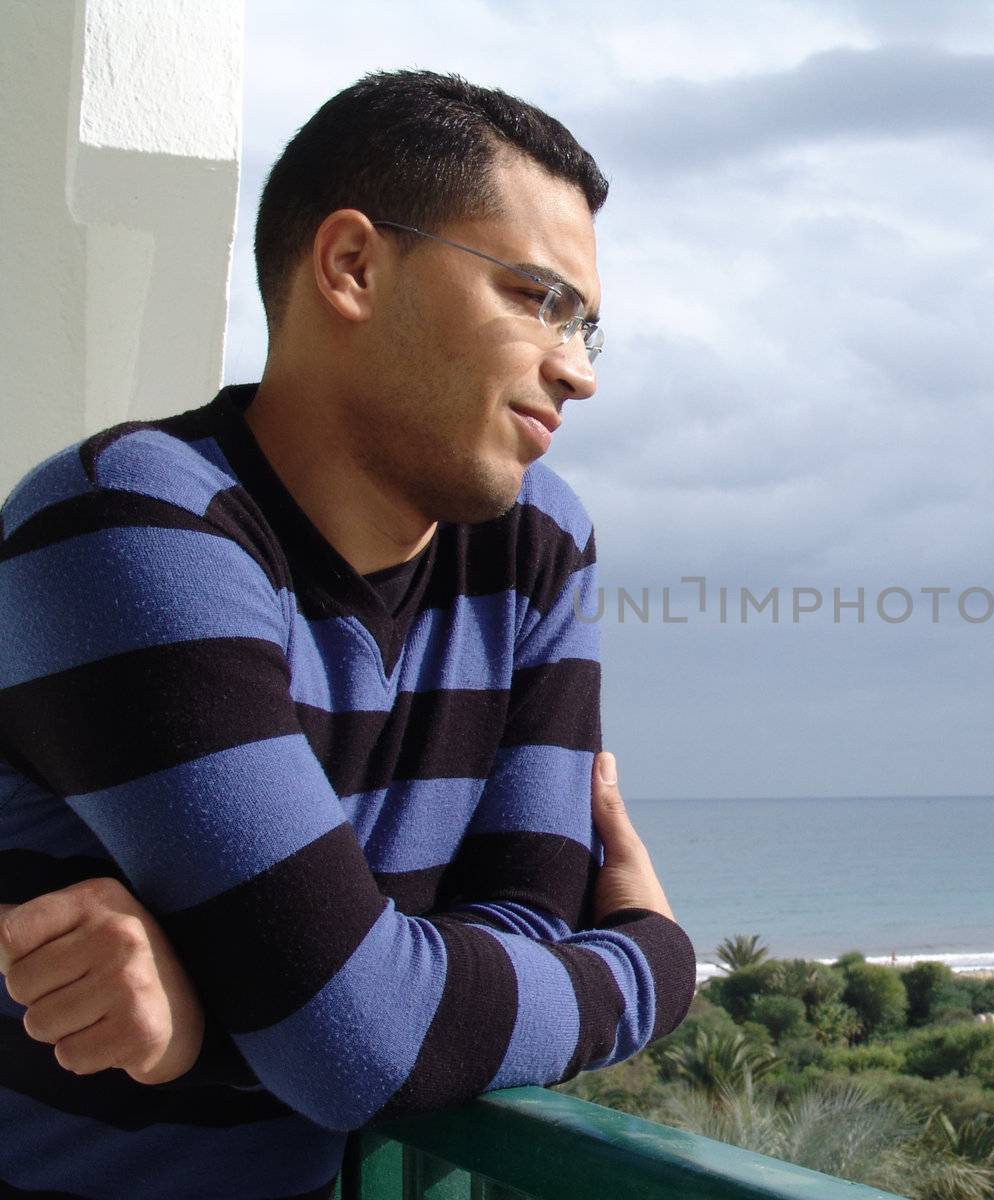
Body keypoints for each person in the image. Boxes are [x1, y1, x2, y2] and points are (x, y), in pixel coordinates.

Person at [0, 70, 695, 1199]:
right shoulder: (124, 529)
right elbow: (359, 1035)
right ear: (353, 267)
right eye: (534, 298)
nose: (577, 369)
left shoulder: (536, 545)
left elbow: (513, 918)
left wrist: (221, 1029)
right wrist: (659, 963)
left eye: (587, 326)